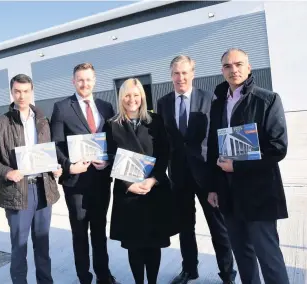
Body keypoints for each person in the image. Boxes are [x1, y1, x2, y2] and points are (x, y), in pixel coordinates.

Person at [207, 48, 290, 284]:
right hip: (229, 193)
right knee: (243, 256)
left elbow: (278, 148)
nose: (234, 70)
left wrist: (238, 167)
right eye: (227, 66)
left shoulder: (267, 99)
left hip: (259, 193)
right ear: (222, 71)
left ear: (249, 67)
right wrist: (213, 187)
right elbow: (214, 148)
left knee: (268, 257)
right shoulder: (217, 104)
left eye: (239, 64)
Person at [157, 55, 236, 284]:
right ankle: (189, 270)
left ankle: (227, 275)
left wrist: (218, 179)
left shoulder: (209, 99)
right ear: (170, 75)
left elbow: (217, 139)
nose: (180, 77)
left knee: (218, 229)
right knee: (185, 227)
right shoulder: (162, 103)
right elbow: (162, 141)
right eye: (176, 73)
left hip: (207, 176)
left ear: (193, 73)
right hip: (179, 177)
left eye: (184, 72)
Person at [0, 74, 63, 284]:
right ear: (12, 92)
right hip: (18, 191)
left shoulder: (44, 121)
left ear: (32, 91)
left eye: (26, 91)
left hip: (44, 189)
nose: (22, 95)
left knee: (42, 246)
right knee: (19, 247)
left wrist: (56, 168)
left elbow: (52, 152)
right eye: (17, 91)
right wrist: (7, 172)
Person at [104, 78, 181, 284]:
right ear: (121, 98)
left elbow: (164, 152)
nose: (132, 100)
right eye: (127, 95)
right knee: (135, 245)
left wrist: (154, 179)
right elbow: (110, 156)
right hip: (128, 193)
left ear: (142, 97)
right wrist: (128, 183)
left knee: (153, 244)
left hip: (153, 191)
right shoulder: (112, 125)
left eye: (136, 95)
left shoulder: (155, 121)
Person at [50, 63, 118, 284]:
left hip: (100, 181)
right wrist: (69, 165)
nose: (84, 83)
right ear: (73, 81)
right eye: (80, 79)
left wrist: (108, 161)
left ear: (95, 80)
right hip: (76, 182)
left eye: (88, 79)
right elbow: (56, 144)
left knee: (99, 231)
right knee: (80, 233)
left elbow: (113, 142)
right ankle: (84, 278)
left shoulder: (106, 107)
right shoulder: (62, 107)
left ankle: (103, 276)